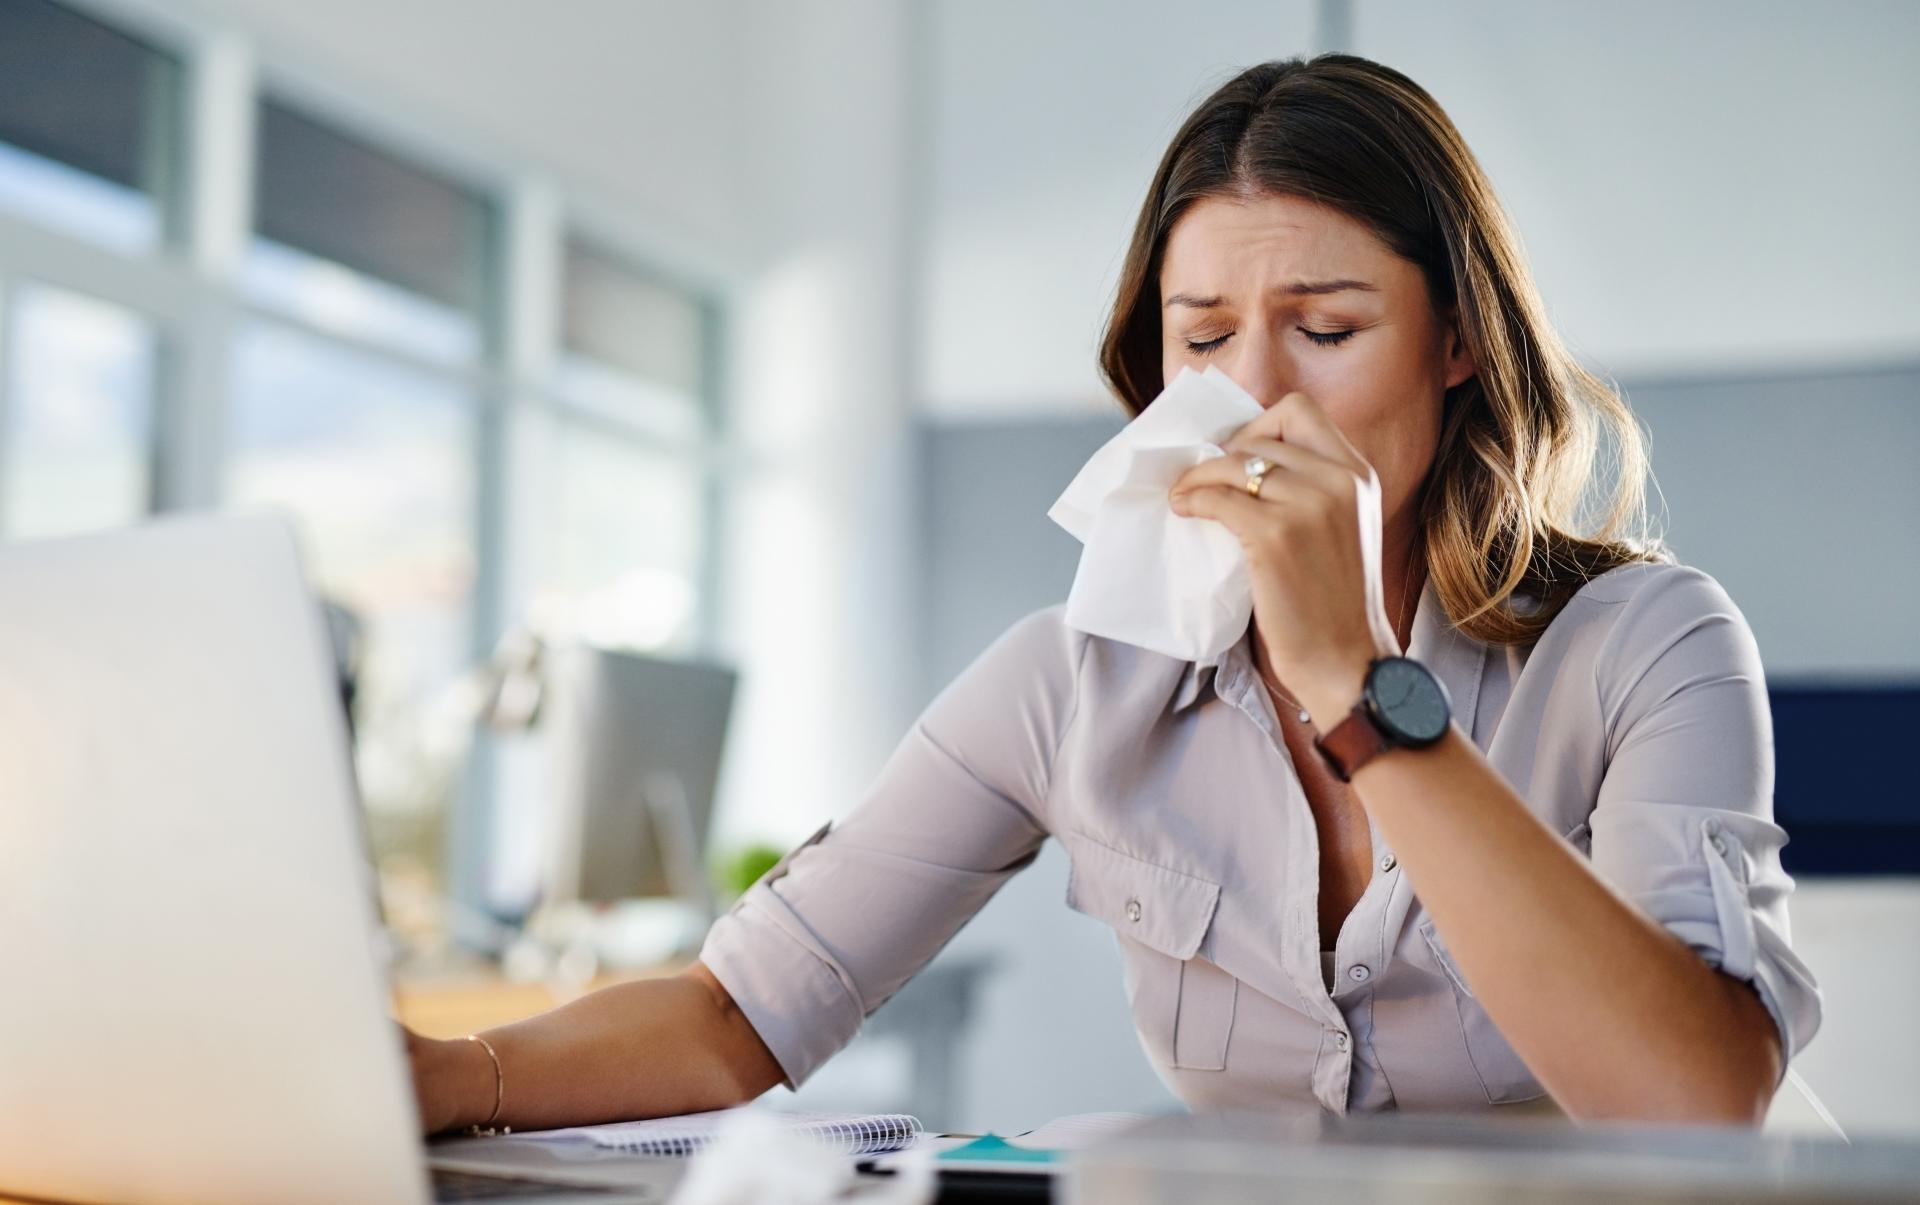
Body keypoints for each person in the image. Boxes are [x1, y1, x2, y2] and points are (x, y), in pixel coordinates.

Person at [406, 53, 1821, 1132]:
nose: (1254, 397)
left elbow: (1697, 1101)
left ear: (1456, 343)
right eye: (1204, 339)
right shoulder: (1073, 681)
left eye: (1327, 329)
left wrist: (1354, 682)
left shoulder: (1648, 645)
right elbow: (737, 1012)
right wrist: (448, 1076)